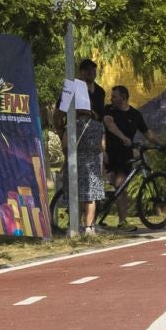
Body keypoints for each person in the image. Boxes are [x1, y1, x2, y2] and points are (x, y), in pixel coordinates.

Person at [58, 60, 105, 234]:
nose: (90, 73)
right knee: (75, 186)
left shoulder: (100, 91)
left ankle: (89, 226)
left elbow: (101, 118)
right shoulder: (71, 87)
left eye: (93, 70)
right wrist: (61, 131)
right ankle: (76, 225)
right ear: (80, 72)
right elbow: (59, 113)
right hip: (75, 137)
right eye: (86, 71)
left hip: (93, 140)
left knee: (91, 187)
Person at [103, 85, 150, 200]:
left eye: (114, 96)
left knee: (121, 189)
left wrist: (162, 144)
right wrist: (123, 137)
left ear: (123, 98)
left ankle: (122, 218)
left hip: (124, 156)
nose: (111, 99)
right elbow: (109, 124)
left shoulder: (135, 114)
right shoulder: (109, 109)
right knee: (112, 186)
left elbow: (147, 133)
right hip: (109, 153)